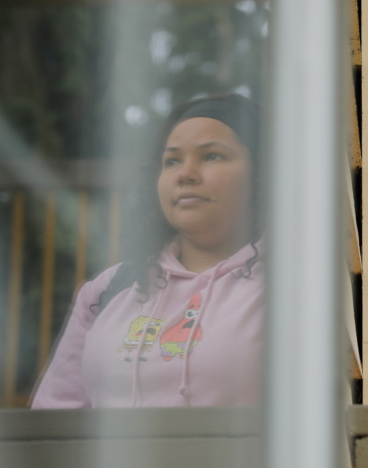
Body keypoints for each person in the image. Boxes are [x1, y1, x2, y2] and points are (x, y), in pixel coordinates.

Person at [31, 94, 264, 408]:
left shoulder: (292, 289)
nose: (186, 174)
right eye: (172, 161)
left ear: (262, 175)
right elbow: (55, 417)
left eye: (212, 156)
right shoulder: (109, 288)